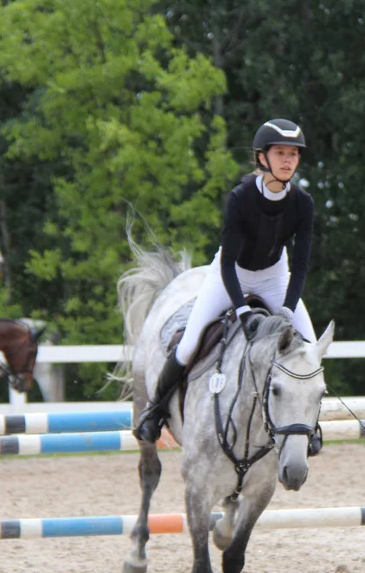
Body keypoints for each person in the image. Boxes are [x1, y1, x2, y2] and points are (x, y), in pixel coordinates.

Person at [134, 118, 317, 442]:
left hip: (275, 277)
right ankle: (156, 411)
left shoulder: (303, 203)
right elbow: (228, 264)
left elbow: (300, 266)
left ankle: (308, 426)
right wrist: (243, 312)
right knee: (189, 344)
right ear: (262, 158)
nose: (288, 160)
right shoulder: (241, 198)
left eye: (293, 154)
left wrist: (287, 309)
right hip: (231, 275)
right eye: (281, 153)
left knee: (311, 349)